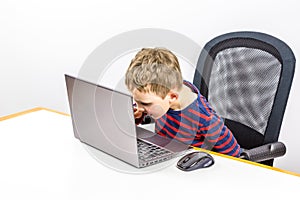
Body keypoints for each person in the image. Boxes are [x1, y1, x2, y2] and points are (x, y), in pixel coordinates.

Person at [125, 47, 241, 157]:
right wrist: (140, 115)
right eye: (137, 101)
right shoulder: (164, 92)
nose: (138, 107)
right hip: (165, 152)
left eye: (145, 104)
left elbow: (234, 153)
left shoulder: (203, 118)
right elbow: (152, 102)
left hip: (188, 165)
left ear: (173, 97)